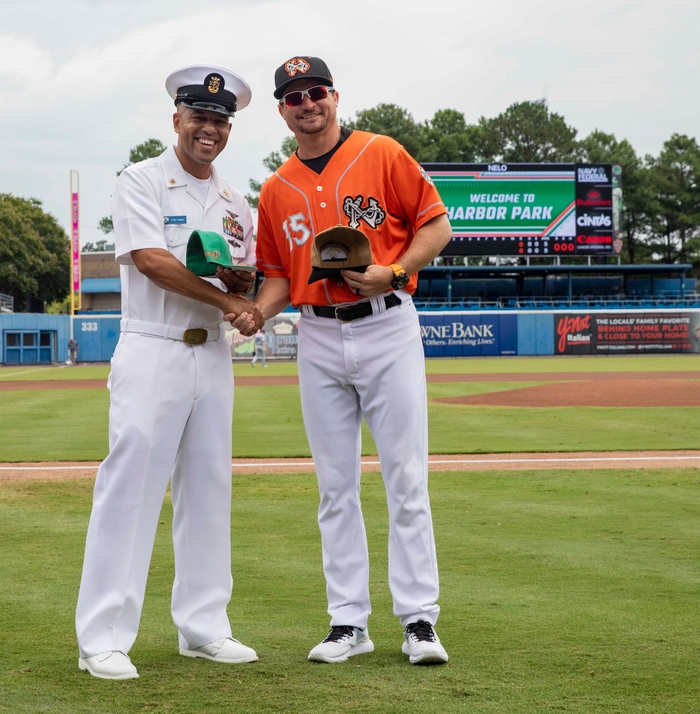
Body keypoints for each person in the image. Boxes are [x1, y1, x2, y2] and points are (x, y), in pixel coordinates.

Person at [234, 56, 453, 666]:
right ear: (281, 110)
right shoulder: (277, 189)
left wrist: (397, 270)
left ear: (334, 96)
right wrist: (255, 313)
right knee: (335, 487)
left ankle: (418, 620)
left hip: (387, 326)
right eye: (293, 96)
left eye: (316, 91)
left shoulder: (382, 152)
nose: (307, 103)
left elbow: (437, 226)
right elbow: (279, 276)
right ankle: (347, 622)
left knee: (405, 477)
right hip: (318, 336)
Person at [75, 63, 263, 681]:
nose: (209, 129)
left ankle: (204, 626)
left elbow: (244, 271)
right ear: (176, 119)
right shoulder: (143, 179)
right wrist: (230, 301)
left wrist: (244, 288)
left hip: (212, 351)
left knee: (208, 491)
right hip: (154, 345)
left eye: (220, 120)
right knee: (130, 491)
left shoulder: (237, 203)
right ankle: (102, 637)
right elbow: (152, 261)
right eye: (200, 117)